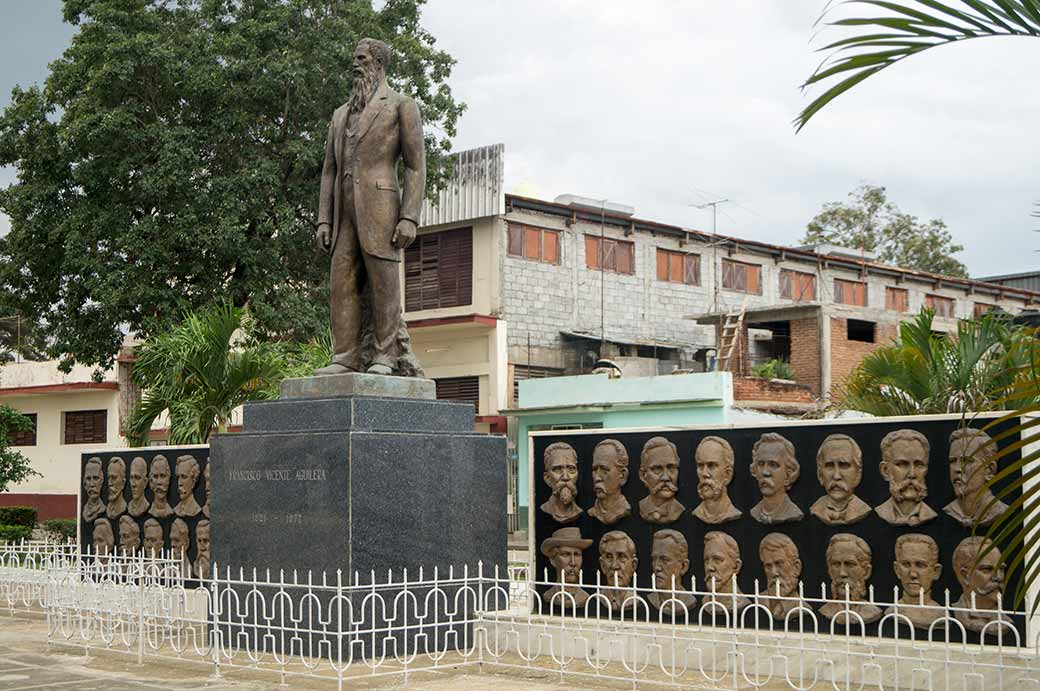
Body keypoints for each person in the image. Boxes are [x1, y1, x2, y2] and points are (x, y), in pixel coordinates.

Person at [314, 38, 426, 376]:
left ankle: (385, 356)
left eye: (361, 59)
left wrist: (409, 217)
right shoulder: (340, 115)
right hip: (343, 213)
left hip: (381, 208)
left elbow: (415, 166)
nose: (355, 64)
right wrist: (323, 220)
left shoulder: (401, 105)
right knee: (341, 283)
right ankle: (345, 356)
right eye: (355, 58)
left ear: (378, 63)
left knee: (384, 284)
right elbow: (329, 170)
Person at [944, 428, 1008, 528]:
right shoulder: (949, 511)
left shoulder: (999, 510)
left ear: (990, 470)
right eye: (952, 461)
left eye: (967, 461)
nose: (957, 468)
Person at [875, 429, 937, 526]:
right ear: (885, 471)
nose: (912, 474)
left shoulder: (931, 514)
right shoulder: (880, 512)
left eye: (919, 465)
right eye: (902, 464)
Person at [885, 534, 945, 629]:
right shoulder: (893, 611)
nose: (913, 574)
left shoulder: (940, 615)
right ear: (897, 570)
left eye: (920, 565)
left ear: (936, 571)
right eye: (906, 564)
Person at [819, 534, 881, 625]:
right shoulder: (826, 610)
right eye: (836, 564)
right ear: (829, 570)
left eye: (850, 564)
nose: (842, 573)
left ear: (866, 571)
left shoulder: (872, 612)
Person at [809, 435, 872, 526]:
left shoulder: (863, 509)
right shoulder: (816, 509)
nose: (836, 476)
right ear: (820, 474)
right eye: (830, 466)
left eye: (844, 465)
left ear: (858, 473)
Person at [952, 536, 1008, 636]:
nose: (998, 577)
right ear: (964, 576)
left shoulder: (1006, 622)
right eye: (987, 569)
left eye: (1001, 569)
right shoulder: (951, 614)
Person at [750, 433, 803, 524]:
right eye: (761, 464)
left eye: (773, 465)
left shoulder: (793, 512)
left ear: (788, 474)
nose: (765, 472)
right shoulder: (755, 511)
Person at [691, 436, 741, 525]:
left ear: (727, 474)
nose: (704, 473)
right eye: (700, 466)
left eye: (711, 466)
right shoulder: (697, 512)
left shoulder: (732, 513)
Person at [647, 530, 698, 617]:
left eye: (665, 560)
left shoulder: (688, 601)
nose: (656, 567)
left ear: (683, 566)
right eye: (654, 559)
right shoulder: (649, 600)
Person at [540, 527, 593, 609]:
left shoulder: (586, 597)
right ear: (553, 560)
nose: (573, 562)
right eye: (566, 554)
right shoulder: (549, 595)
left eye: (577, 554)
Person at [638, 437, 685, 524]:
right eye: (657, 469)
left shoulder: (679, 509)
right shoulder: (641, 506)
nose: (666, 477)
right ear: (643, 475)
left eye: (671, 468)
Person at [759, 533, 804, 619]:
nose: (774, 572)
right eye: (768, 566)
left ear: (796, 567)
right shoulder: (760, 601)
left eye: (779, 564)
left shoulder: (801, 607)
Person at [598, 530, 646, 613]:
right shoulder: (593, 601)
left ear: (633, 565)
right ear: (602, 565)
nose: (614, 566)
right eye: (609, 557)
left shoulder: (642, 605)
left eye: (621, 557)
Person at [588, 439, 631, 525]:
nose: (597, 478)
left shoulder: (624, 509)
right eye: (595, 470)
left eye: (604, 470)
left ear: (622, 475)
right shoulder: (592, 511)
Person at [540, 442, 582, 523]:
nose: (565, 477)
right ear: (547, 478)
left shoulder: (581, 513)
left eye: (571, 469)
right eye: (558, 469)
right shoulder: (543, 511)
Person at [82, 457, 105, 522]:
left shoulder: (103, 508)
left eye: (95, 478)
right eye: (88, 479)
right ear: (85, 484)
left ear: (101, 481)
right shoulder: (84, 509)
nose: (91, 484)